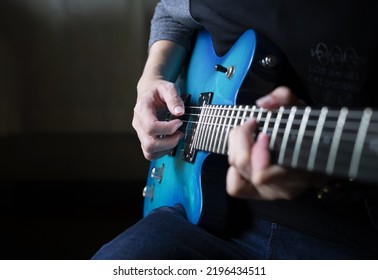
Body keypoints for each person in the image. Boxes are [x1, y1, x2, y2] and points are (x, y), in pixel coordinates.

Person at [92, 0, 378, 259]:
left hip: (345, 238)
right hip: (198, 217)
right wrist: (151, 80)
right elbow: (171, 13)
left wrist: (322, 176)